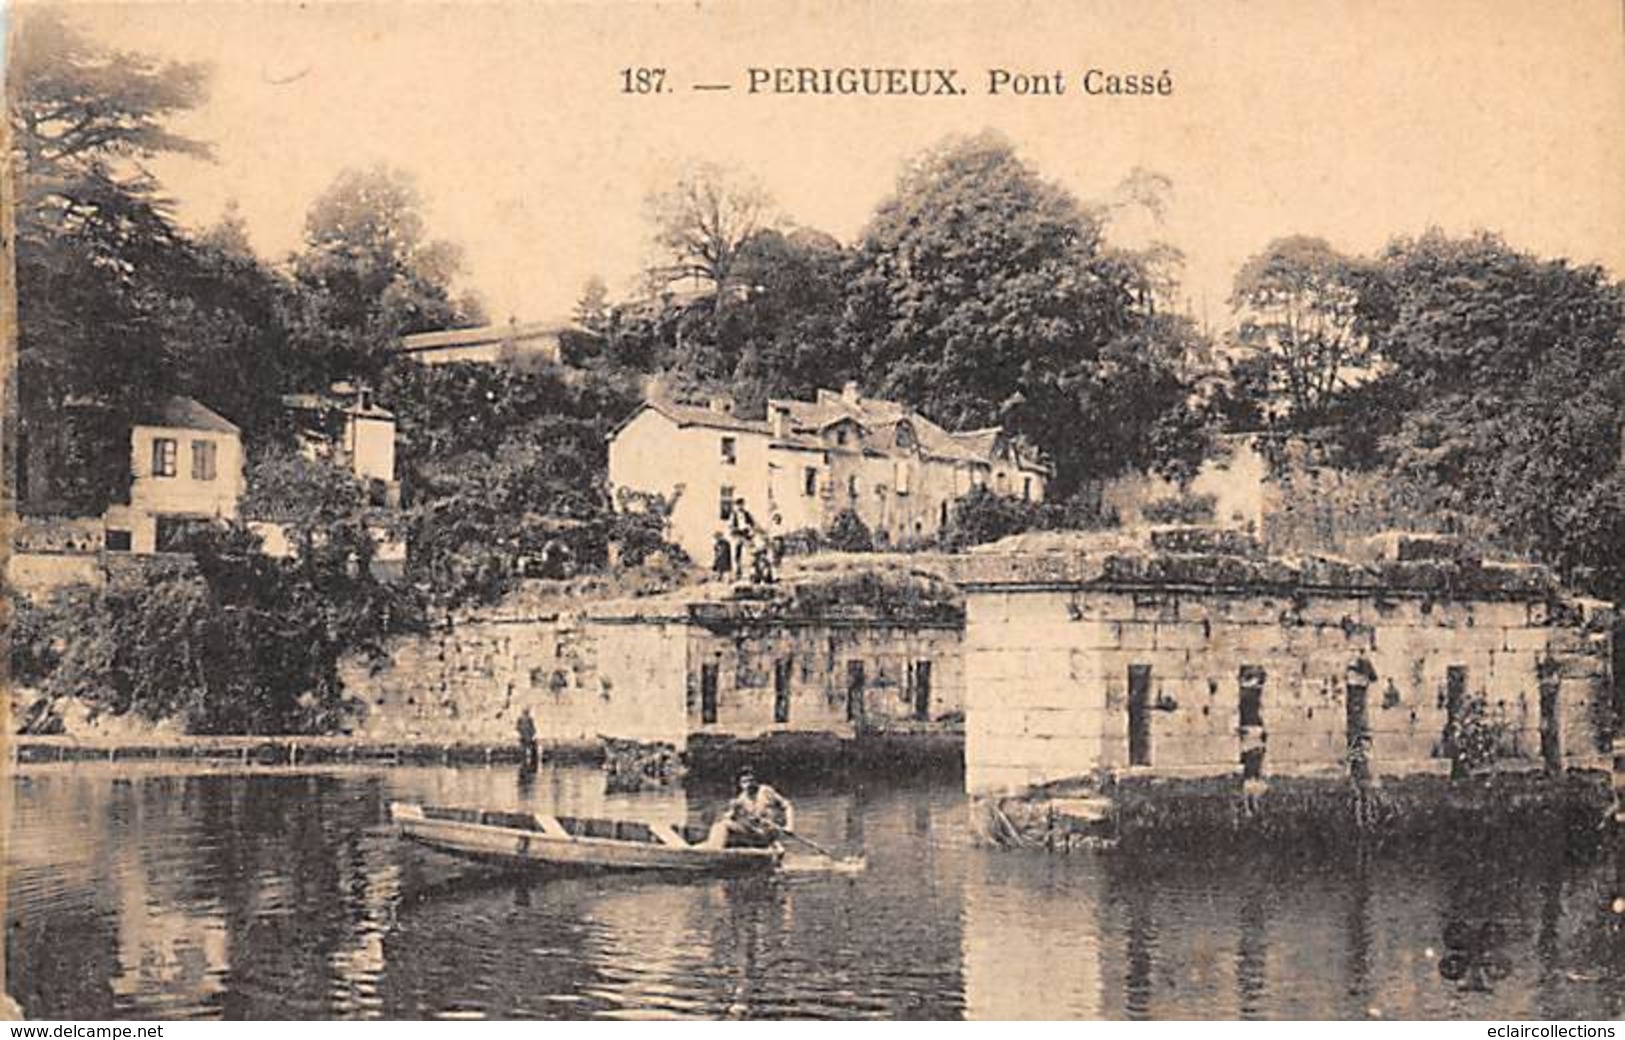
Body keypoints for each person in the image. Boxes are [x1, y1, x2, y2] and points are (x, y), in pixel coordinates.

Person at [708, 769, 795, 849]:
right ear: (740, 785)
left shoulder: (766, 791)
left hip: (769, 831)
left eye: (751, 780)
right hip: (755, 831)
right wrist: (729, 812)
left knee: (724, 825)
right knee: (720, 824)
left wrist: (789, 826)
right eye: (744, 782)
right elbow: (731, 815)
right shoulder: (741, 798)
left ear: (756, 781)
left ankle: (714, 849)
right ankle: (713, 846)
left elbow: (788, 806)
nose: (748, 784)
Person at [516, 707, 539, 771]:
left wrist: (521, 732)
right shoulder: (528, 719)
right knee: (527, 748)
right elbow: (533, 728)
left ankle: (524, 762)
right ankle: (526, 762)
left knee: (524, 748)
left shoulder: (522, 719)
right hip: (527, 736)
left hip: (525, 735)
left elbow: (517, 727)